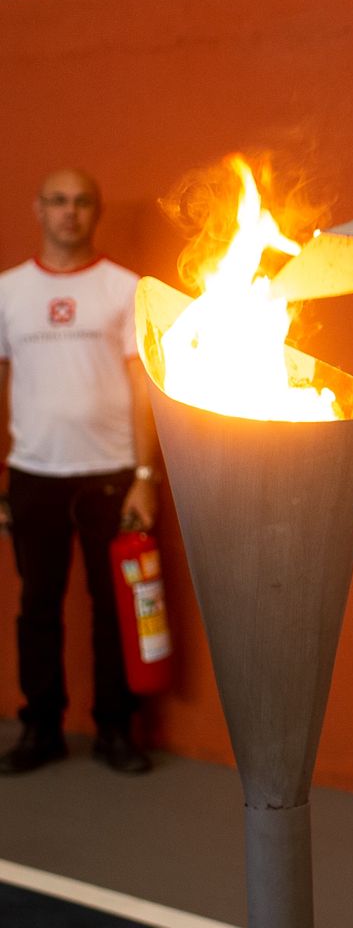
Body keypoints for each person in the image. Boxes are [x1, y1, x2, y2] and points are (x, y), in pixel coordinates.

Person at [0, 168, 161, 775]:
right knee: (37, 607)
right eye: (58, 201)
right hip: (33, 473)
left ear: (96, 212)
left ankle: (115, 730)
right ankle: (40, 728)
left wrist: (145, 476)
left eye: (82, 202)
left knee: (113, 607)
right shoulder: (8, 291)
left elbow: (143, 387)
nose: (70, 212)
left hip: (109, 473)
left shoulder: (125, 288)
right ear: (38, 209)